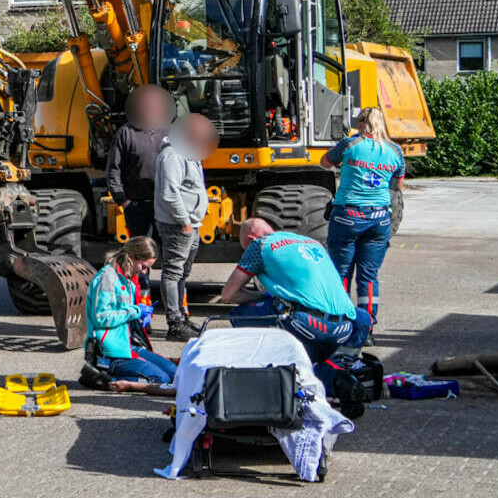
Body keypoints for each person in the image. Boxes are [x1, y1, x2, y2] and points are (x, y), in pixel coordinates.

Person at [222, 219, 372, 363]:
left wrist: (264, 296)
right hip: (346, 327)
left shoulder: (259, 245)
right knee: (363, 316)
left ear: (250, 239)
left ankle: (273, 370)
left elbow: (228, 295)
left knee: (240, 315)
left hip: (307, 324)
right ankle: (341, 366)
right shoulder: (314, 243)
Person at [321, 107, 405, 322]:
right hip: (378, 218)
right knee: (368, 276)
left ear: (360, 123)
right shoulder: (395, 151)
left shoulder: (350, 143)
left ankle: (339, 321)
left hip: (347, 215)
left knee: (341, 272)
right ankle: (366, 325)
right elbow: (397, 185)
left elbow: (325, 162)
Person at [153, 112, 217, 341]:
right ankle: (175, 323)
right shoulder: (172, 156)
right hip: (178, 225)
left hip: (191, 224)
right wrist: (184, 221)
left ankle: (182, 316)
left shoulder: (189, 154)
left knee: (183, 273)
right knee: (173, 273)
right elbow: (170, 194)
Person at [82, 236, 176, 385]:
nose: (145, 272)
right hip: (109, 352)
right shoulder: (107, 278)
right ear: (132, 257)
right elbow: (101, 317)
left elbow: (124, 313)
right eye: (144, 266)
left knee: (175, 373)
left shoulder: (129, 278)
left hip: (127, 345)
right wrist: (135, 311)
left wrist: (139, 319)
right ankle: (102, 378)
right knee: (161, 379)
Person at [106, 85, 172, 246]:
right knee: (141, 251)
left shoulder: (171, 132)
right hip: (137, 204)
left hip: (166, 204)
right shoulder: (126, 133)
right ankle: (141, 273)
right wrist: (123, 200)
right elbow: (114, 169)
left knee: (169, 252)